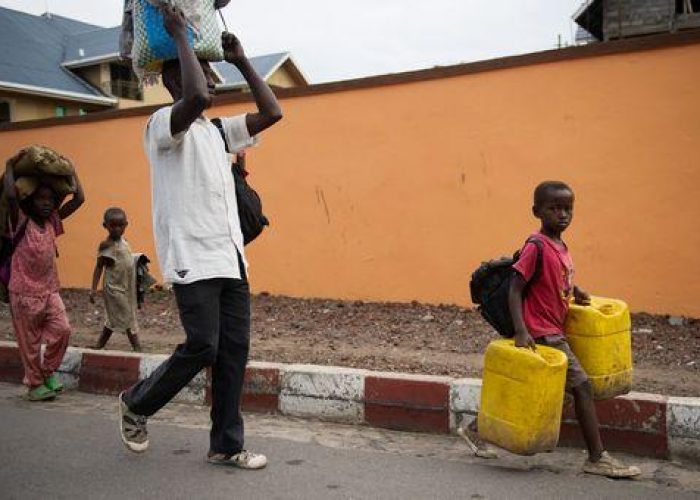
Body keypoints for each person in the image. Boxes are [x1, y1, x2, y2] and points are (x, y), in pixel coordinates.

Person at [118, 4, 282, 470]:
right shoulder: (161, 128)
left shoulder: (215, 132)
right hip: (192, 257)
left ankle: (226, 444)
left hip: (231, 259)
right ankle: (136, 404)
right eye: (204, 72)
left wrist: (242, 60)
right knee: (203, 346)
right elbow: (195, 99)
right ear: (176, 81)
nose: (212, 81)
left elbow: (272, 112)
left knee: (233, 353)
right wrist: (180, 35)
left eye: (212, 73)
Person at [459, 181, 640, 479]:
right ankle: (598, 458)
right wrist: (520, 331)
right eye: (554, 208)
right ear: (537, 211)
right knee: (581, 385)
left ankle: (476, 429)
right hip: (541, 332)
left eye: (567, 208)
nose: (562, 214)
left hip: (554, 327)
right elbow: (515, 290)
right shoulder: (536, 245)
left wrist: (575, 291)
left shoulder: (560, 245)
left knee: (559, 391)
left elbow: (553, 281)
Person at [4, 161, 85, 401]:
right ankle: (34, 384)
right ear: (29, 200)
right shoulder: (19, 220)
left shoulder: (52, 221)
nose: (47, 202)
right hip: (23, 292)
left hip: (49, 290)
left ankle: (48, 371)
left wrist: (72, 171)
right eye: (41, 198)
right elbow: (10, 196)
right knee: (29, 344)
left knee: (63, 330)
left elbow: (79, 199)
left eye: (51, 198)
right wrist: (10, 166)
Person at [90, 207, 141, 351]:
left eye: (120, 225)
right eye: (113, 226)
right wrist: (93, 289)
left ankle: (100, 344)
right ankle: (137, 346)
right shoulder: (106, 245)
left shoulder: (124, 242)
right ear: (105, 226)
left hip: (126, 287)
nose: (117, 229)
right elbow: (99, 267)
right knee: (127, 316)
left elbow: (126, 261)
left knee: (114, 318)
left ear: (126, 225)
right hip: (114, 288)